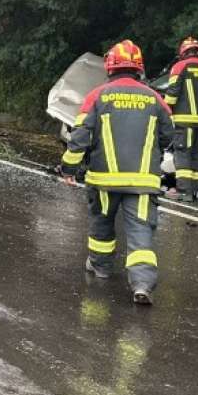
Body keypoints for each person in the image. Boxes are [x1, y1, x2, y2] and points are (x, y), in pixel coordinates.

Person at [60, 39, 175, 305]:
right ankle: (143, 285)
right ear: (139, 68)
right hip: (143, 183)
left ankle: (101, 268)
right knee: (141, 232)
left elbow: (79, 138)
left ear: (110, 67)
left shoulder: (97, 97)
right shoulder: (155, 98)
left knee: (102, 224)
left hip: (103, 181)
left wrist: (68, 168)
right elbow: (169, 135)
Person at [163, 37, 198, 200]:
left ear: (183, 52)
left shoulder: (180, 66)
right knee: (197, 154)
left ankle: (183, 191)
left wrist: (164, 110)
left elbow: (172, 94)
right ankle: (197, 191)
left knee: (183, 154)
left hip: (184, 120)